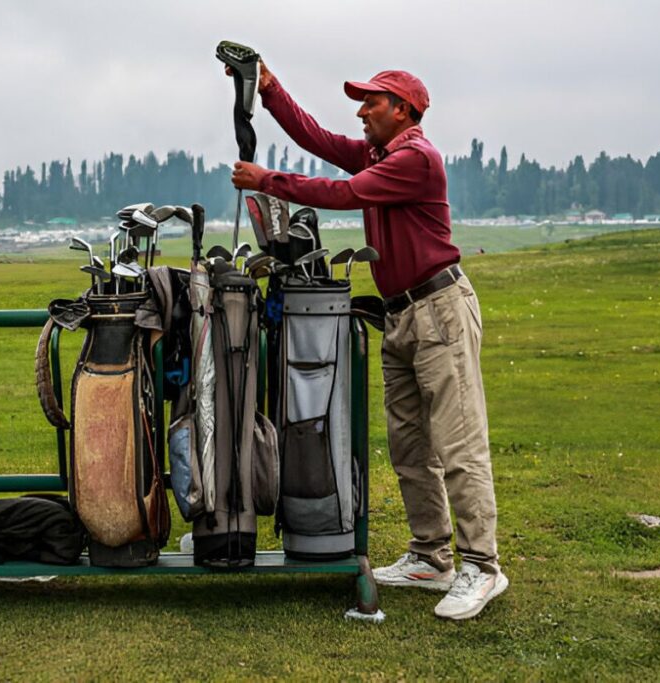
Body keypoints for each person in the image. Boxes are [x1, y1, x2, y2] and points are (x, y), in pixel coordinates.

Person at [229, 63, 506, 620]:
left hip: (440, 311)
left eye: (371, 103)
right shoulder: (381, 155)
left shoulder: (414, 159)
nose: (360, 112)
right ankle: (431, 556)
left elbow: (347, 192)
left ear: (402, 110)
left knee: (457, 443)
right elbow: (319, 139)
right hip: (402, 314)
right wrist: (271, 89)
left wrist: (269, 182)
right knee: (409, 446)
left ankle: (482, 565)